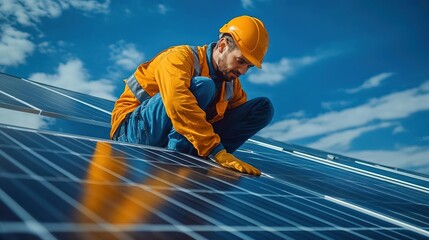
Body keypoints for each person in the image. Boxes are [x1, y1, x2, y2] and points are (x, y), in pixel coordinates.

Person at [110, 15, 274, 176]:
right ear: (223, 46)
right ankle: (177, 157)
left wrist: (220, 150)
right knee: (204, 86)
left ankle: (209, 156)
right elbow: (177, 102)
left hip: (184, 136)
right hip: (133, 130)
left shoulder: (231, 83)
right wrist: (213, 148)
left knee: (262, 108)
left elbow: (237, 119)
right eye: (240, 61)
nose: (243, 71)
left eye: (249, 66)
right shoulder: (180, 57)